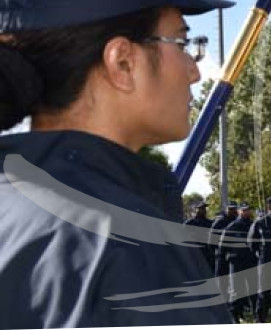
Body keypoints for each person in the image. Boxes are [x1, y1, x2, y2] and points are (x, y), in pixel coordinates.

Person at [0, 0, 236, 327]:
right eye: (182, 43)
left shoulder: (13, 209)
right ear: (122, 63)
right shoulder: (130, 247)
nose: (194, 70)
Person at [248, 197, 271, 322]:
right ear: (269, 207)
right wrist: (260, 255)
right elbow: (252, 243)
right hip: (265, 261)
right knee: (264, 292)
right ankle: (260, 318)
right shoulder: (260, 222)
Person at [221, 203, 259, 322]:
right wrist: (230, 256)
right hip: (236, 262)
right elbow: (222, 245)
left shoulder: (254, 225)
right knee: (236, 290)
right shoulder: (233, 226)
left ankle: (256, 315)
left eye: (248, 210)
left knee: (253, 289)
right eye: (244, 210)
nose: (247, 212)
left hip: (251, 261)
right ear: (239, 211)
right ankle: (235, 316)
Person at [184, 202, 215, 268]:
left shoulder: (210, 223)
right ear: (196, 210)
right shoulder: (190, 223)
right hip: (195, 253)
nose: (204, 210)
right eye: (201, 208)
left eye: (204, 208)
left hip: (208, 253)